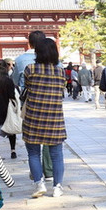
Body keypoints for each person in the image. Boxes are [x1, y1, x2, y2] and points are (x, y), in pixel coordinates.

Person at [22, 38, 68, 198]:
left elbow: (26, 88)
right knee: (57, 154)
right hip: (54, 119)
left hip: (33, 118)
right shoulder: (60, 71)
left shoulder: (30, 69)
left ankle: (39, 183)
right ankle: (57, 187)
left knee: (34, 153)